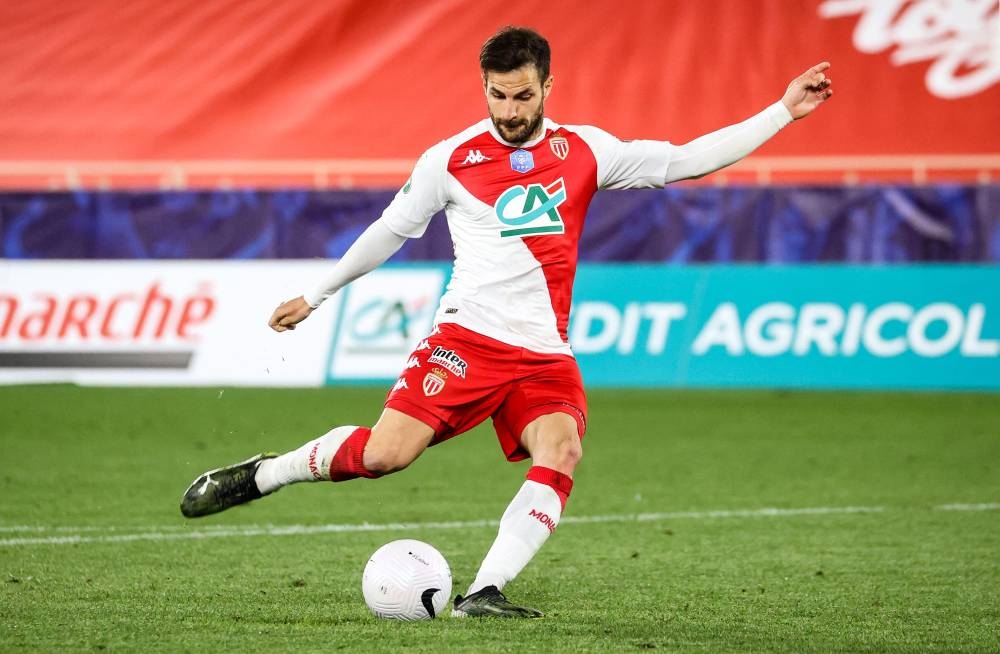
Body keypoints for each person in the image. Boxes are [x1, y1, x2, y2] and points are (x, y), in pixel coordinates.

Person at [180, 26, 833, 618]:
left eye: (522, 97)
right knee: (385, 455)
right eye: (498, 96)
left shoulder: (585, 151)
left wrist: (781, 112)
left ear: (548, 86)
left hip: (543, 353)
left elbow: (687, 159)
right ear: (484, 88)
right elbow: (390, 231)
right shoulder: (451, 159)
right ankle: (267, 473)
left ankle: (483, 591)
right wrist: (317, 294)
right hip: (467, 339)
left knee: (563, 451)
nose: (510, 111)